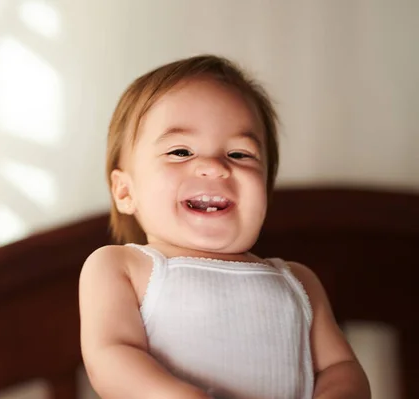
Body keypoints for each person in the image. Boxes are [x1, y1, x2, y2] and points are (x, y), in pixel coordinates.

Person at [79, 54, 370, 399]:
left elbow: (339, 368)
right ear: (125, 191)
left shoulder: (300, 282)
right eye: (181, 151)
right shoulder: (122, 267)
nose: (214, 167)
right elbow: (111, 356)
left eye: (239, 154)